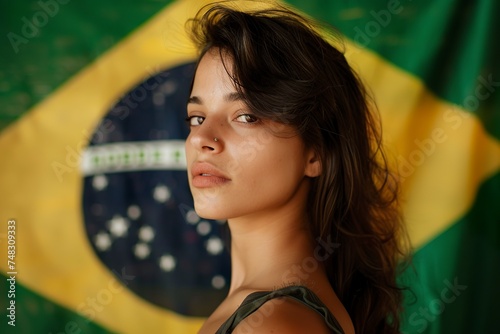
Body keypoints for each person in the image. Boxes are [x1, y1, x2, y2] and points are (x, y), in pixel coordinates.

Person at [184, 3, 410, 333]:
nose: (202, 138)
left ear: (315, 153)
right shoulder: (266, 313)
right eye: (196, 118)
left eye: (247, 116)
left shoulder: (273, 323)